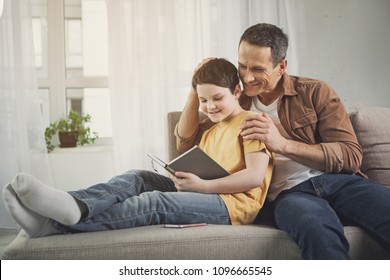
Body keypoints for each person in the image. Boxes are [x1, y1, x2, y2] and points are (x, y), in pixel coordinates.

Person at [177, 23, 390, 260]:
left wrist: (282, 144)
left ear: (281, 66)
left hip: (338, 182)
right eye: (242, 66)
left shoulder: (315, 92)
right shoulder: (234, 100)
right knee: (316, 229)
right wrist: (194, 88)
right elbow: (185, 144)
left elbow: (350, 155)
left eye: (258, 69)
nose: (247, 77)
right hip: (289, 195)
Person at [3, 58, 272, 238]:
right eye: (203, 100)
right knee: (138, 177)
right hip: (208, 192)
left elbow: (254, 177)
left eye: (217, 98)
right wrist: (185, 178)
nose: (210, 107)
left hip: (232, 207)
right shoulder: (212, 128)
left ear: (237, 92)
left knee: (155, 202)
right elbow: (209, 168)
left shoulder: (251, 122)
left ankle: (56, 225)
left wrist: (201, 186)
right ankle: (77, 203)